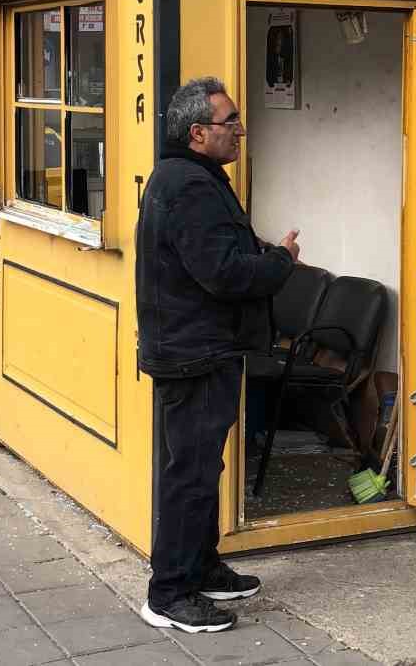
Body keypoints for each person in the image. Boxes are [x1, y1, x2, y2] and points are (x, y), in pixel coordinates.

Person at [135, 76, 301, 634]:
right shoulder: (190, 186)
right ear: (198, 132)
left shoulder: (191, 176)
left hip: (199, 348)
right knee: (192, 474)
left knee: (203, 467)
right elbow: (222, 273)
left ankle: (200, 566)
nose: (241, 131)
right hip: (195, 353)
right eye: (231, 124)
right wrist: (280, 263)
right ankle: (170, 593)